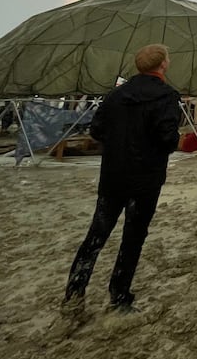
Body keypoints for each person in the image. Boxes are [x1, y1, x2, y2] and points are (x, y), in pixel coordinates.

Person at [63, 44, 182, 313]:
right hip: (145, 179)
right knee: (133, 236)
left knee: (97, 233)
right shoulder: (166, 97)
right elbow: (167, 138)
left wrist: (119, 144)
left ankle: (74, 292)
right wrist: (160, 143)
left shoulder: (117, 95)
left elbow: (96, 129)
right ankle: (119, 296)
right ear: (162, 64)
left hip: (114, 176)